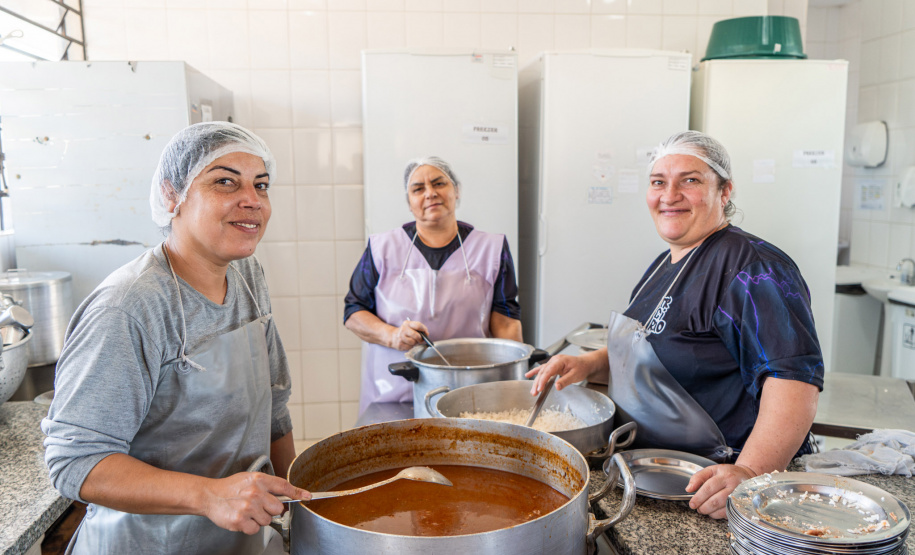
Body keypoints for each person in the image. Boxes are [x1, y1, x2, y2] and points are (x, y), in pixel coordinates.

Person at [41, 122, 311, 554]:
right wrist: (208, 495)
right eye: (224, 181)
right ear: (172, 196)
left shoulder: (246, 275)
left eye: (261, 186)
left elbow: (274, 407)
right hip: (146, 544)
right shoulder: (130, 306)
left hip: (236, 541)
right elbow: (75, 461)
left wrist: (300, 516)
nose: (252, 201)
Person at [528, 131, 823, 520]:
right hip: (657, 473)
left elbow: (792, 380)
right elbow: (657, 343)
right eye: (658, 182)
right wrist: (589, 364)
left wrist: (750, 473)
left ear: (725, 190)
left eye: (691, 180)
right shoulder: (666, 264)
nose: (669, 195)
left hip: (713, 484)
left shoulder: (753, 268)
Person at [344, 156, 522, 411]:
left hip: (470, 393)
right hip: (393, 394)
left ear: (456, 190)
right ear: (409, 202)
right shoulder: (382, 248)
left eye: (439, 183)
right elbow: (353, 312)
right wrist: (393, 336)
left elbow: (505, 321)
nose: (430, 193)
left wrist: (513, 387)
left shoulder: (491, 249)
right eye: (418, 188)